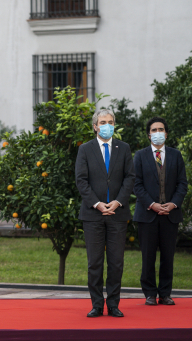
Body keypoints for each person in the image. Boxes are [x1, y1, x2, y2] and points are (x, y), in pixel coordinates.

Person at [75, 109, 135, 318]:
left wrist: (117, 202)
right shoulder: (85, 149)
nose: (106, 125)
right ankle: (97, 305)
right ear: (95, 126)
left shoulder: (124, 148)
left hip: (118, 214)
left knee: (116, 261)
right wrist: (97, 204)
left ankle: (114, 304)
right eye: (102, 122)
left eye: (110, 122)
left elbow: (130, 178)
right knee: (95, 262)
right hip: (93, 215)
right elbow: (81, 180)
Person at [133, 117, 187, 306]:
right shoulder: (139, 156)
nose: (158, 132)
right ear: (149, 134)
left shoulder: (175, 155)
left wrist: (173, 204)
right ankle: (149, 293)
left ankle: (165, 293)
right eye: (154, 130)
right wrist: (152, 204)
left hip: (170, 215)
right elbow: (136, 184)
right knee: (148, 256)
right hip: (147, 215)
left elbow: (182, 184)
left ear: (166, 133)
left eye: (161, 129)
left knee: (168, 256)